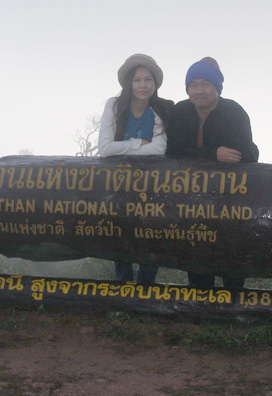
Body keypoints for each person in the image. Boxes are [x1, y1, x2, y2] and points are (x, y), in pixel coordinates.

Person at [166, 57, 259, 289]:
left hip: (229, 199)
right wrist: (213, 153)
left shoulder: (234, 112)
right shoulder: (179, 112)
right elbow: (172, 152)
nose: (199, 90)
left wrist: (199, 155)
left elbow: (248, 153)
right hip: (190, 198)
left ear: (217, 87)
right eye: (193, 85)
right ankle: (200, 300)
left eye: (206, 84)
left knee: (231, 255)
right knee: (196, 254)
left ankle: (233, 299)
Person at [98, 53, 174, 282]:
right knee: (120, 234)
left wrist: (122, 148)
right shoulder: (114, 106)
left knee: (151, 235)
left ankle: (146, 287)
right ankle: (123, 287)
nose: (143, 85)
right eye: (137, 80)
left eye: (148, 79)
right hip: (119, 184)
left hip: (152, 184)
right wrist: (138, 143)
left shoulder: (161, 108)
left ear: (155, 83)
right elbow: (105, 148)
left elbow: (160, 148)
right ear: (128, 83)